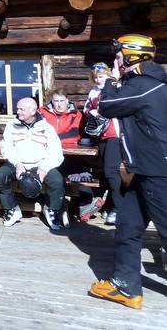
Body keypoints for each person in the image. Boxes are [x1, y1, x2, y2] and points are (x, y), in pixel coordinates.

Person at [88, 34, 167, 310]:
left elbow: (107, 106)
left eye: (119, 55)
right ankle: (126, 287)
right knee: (128, 226)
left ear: (131, 56)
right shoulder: (145, 84)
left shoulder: (145, 85)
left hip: (158, 170)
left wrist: (110, 80)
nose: (115, 60)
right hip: (140, 170)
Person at [0, 97, 66, 231]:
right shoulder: (11, 125)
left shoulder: (46, 127)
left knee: (57, 180)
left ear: (33, 111)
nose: (18, 111)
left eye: (22, 109)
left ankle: (51, 209)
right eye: (18, 108)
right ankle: (12, 209)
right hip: (17, 162)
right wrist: (17, 163)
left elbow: (56, 153)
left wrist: (44, 168)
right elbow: (6, 148)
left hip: (40, 163)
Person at [84, 62, 121, 225]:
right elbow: (86, 108)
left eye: (101, 76)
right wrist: (91, 111)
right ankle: (110, 206)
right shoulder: (94, 91)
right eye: (96, 77)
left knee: (112, 172)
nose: (99, 80)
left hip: (115, 133)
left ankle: (119, 209)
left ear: (108, 75)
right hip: (101, 135)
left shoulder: (116, 87)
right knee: (107, 172)